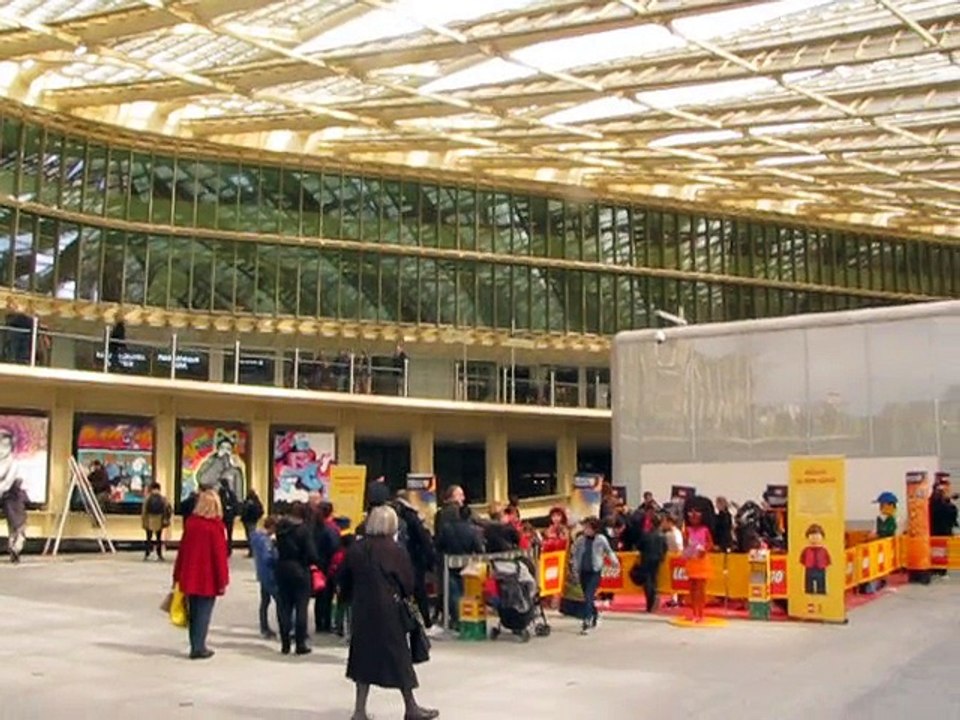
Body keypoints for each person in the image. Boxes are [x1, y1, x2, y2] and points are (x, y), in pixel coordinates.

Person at [340, 505, 438, 720]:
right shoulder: (395, 550)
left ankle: (359, 711)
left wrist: (347, 600)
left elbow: (344, 579)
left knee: (362, 659)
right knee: (399, 658)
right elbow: (408, 582)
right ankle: (410, 707)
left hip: (362, 609)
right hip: (389, 610)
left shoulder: (356, 549)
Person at [172, 489, 229, 660]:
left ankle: (194, 644)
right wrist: (223, 579)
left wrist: (177, 574)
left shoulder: (191, 524)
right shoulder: (216, 527)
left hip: (189, 575)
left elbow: (182, 551)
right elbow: (220, 556)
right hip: (208, 577)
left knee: (193, 612)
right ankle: (199, 647)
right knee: (204, 613)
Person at [275, 503, 320, 655]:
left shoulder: (280, 528)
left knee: (284, 607)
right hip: (300, 569)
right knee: (301, 607)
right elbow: (312, 553)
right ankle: (300, 643)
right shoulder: (303, 530)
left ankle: (285, 643)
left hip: (282, 568)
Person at [435, 493, 482, 630]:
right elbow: (478, 548)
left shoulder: (447, 528)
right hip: (467, 565)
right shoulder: (473, 531)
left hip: (449, 563)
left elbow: (439, 544)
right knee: (465, 593)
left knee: (454, 594)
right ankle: (465, 618)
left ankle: (456, 620)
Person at [394, 491, 437, 631]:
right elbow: (423, 538)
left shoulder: (394, 513)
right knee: (418, 591)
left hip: (398, 557)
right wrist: (430, 558)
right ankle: (425, 621)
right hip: (414, 559)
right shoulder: (411, 515)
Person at [571, 517, 619, 635]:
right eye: (585, 527)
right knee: (587, 597)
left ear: (594, 529)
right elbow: (575, 554)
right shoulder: (580, 540)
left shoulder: (601, 539)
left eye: (588, 528)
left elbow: (609, 551)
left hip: (595, 571)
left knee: (589, 595)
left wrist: (614, 562)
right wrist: (575, 569)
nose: (586, 530)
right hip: (583, 571)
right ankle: (595, 614)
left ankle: (586, 620)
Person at [683, 497, 715, 623]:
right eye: (691, 512)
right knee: (691, 589)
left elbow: (711, 544)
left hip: (702, 561)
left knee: (701, 589)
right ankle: (694, 612)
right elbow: (685, 545)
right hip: (691, 560)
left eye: (697, 512)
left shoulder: (705, 530)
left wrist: (704, 549)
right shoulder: (687, 530)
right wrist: (687, 550)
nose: (693, 515)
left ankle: (700, 613)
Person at [313, 501, 341, 634]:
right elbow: (335, 547)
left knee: (319, 596)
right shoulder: (332, 528)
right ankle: (327, 623)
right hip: (329, 565)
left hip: (318, 564)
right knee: (328, 595)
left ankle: (319, 623)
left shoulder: (315, 527)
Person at [250, 516, 279, 639]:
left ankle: (264, 626)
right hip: (270, 574)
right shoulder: (265, 541)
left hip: (261, 573)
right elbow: (268, 558)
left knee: (265, 602)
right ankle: (282, 626)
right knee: (279, 601)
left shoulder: (256, 537)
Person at [637, 513, 667, 612]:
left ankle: (650, 602)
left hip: (646, 559)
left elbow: (639, 546)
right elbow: (665, 548)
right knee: (654, 580)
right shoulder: (662, 535)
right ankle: (653, 599)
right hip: (657, 559)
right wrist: (662, 556)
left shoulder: (646, 534)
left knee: (648, 582)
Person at [141, 482, 171, 561]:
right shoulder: (163, 498)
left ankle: (147, 554)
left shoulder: (148, 498)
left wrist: (144, 521)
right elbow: (168, 509)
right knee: (158, 538)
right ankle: (159, 554)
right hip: (159, 519)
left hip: (149, 519)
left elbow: (144, 510)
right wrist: (166, 519)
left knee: (148, 538)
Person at [0, 478, 28, 563]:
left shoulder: (6, 495)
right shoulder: (22, 494)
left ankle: (12, 549)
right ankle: (16, 550)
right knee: (21, 537)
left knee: (12, 535)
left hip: (11, 519)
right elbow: (29, 503)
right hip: (21, 519)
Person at [240, 489, 264, 558]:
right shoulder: (256, 501)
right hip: (252, 521)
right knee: (250, 536)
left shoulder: (250, 501)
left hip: (249, 521)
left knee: (250, 536)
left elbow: (244, 510)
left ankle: (252, 552)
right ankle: (251, 551)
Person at [218, 478, 239, 557]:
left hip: (229, 516)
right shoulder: (220, 493)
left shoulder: (231, 493)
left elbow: (235, 503)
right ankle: (222, 548)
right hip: (222, 516)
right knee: (221, 534)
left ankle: (229, 549)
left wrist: (232, 510)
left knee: (229, 534)